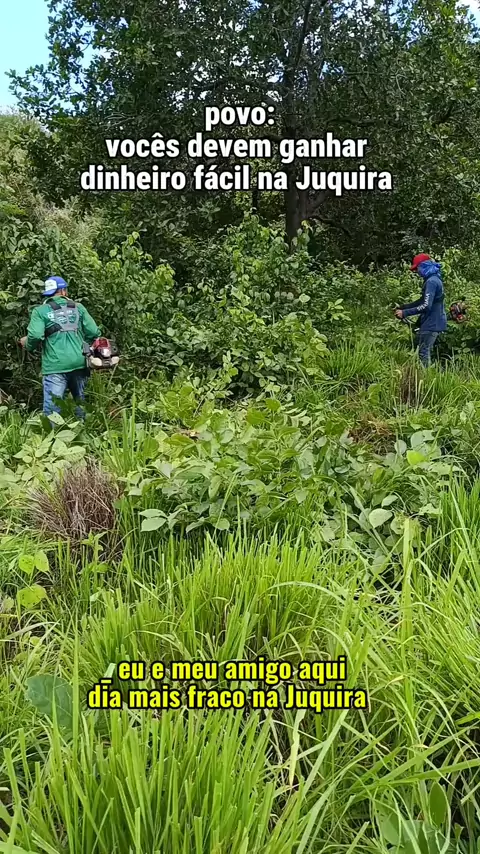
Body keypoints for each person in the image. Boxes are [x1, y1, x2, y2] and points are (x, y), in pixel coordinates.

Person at [19, 275, 102, 418]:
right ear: (63, 291)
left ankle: (53, 432)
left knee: (53, 408)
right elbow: (94, 332)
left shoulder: (40, 311)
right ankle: (83, 429)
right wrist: (81, 343)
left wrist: (27, 345)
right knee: (80, 402)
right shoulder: (78, 307)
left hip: (55, 365)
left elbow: (36, 336)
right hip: (79, 361)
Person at [395, 253, 447, 367]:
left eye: (417, 268)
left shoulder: (431, 282)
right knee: (423, 349)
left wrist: (404, 313)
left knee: (423, 353)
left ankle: (426, 376)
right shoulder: (434, 279)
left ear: (424, 266)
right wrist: (404, 307)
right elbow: (422, 300)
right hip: (434, 321)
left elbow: (426, 306)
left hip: (432, 323)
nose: (416, 272)